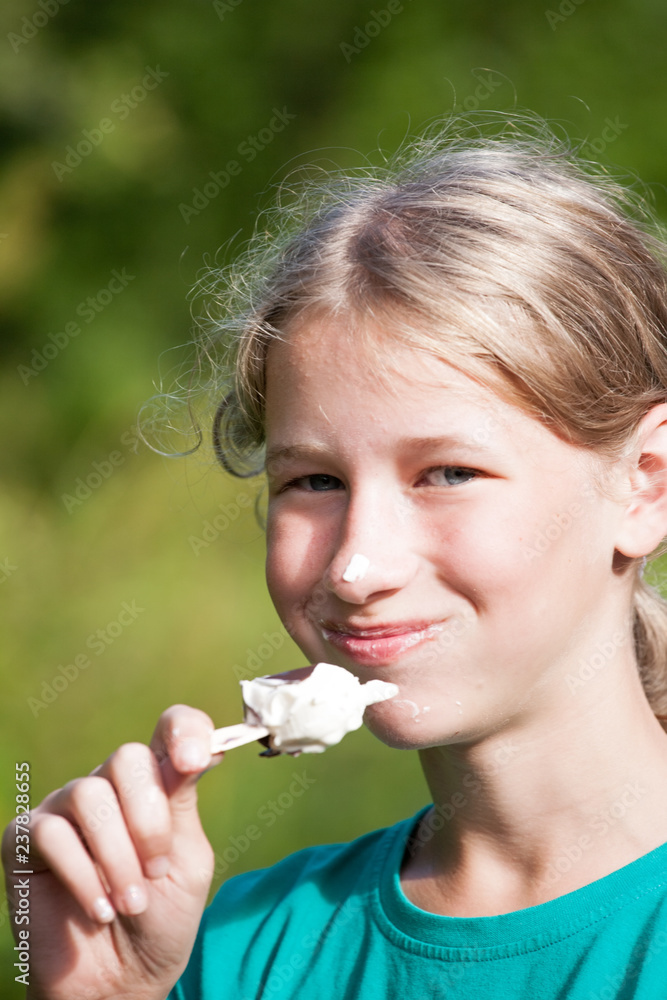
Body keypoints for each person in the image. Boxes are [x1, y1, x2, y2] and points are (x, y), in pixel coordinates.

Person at [6, 116, 667, 999]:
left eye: (448, 473)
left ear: (645, 485)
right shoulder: (240, 951)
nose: (356, 567)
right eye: (314, 481)